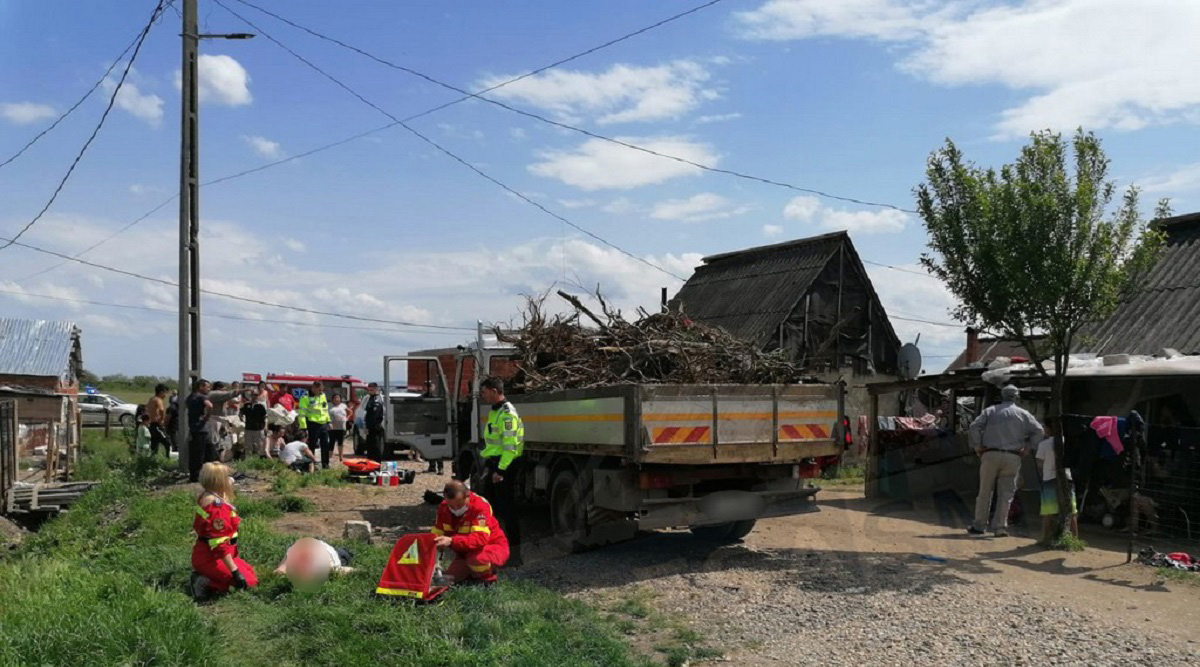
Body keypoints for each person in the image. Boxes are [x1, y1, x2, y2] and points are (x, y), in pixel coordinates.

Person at [968, 385, 1043, 537]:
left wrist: (977, 446)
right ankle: (1000, 527)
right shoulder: (1024, 413)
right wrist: (1028, 448)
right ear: (1017, 397)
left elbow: (974, 426)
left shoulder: (990, 411)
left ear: (1001, 396)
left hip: (990, 454)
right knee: (1006, 493)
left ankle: (979, 525)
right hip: (1013, 456)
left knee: (985, 491)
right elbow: (1039, 431)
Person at [191, 462, 257, 599]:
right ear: (219, 481)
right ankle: (204, 582)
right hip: (212, 557)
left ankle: (210, 578)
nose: (229, 480)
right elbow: (219, 545)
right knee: (249, 582)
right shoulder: (217, 507)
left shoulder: (207, 495)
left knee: (251, 572)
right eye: (226, 477)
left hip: (215, 553)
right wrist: (234, 571)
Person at [478, 376, 524, 563]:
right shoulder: (495, 411)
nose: (482, 396)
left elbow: (510, 447)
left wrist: (500, 471)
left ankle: (515, 555)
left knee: (508, 510)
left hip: (505, 464)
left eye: (484, 392)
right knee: (491, 509)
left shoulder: (507, 414)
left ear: (494, 391)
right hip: (495, 463)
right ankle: (493, 550)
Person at [433, 480, 509, 584]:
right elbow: (435, 534)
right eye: (451, 506)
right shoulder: (444, 508)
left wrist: (452, 541)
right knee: (450, 578)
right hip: (465, 552)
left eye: (459, 505)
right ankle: (472, 576)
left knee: (477, 560)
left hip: (492, 547)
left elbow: (480, 539)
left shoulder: (480, 506)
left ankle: (488, 581)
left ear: (468, 496)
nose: (455, 509)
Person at [1036, 419, 1079, 544]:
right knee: (1072, 511)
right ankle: (1075, 539)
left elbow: (1039, 463)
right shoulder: (1068, 442)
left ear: (1049, 429)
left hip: (1049, 479)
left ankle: (1045, 538)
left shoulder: (1044, 444)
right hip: (1067, 478)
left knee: (1047, 511)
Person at [273, 537, 354, 579]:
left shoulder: (323, 565)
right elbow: (279, 571)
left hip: (327, 553)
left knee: (343, 558)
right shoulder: (292, 555)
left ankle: (346, 553)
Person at [298, 381, 332, 469]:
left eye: (322, 390)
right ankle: (310, 464)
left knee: (325, 445)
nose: (321, 391)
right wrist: (303, 427)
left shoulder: (322, 395)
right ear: (314, 388)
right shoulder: (305, 397)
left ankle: (325, 464)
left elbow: (325, 410)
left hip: (323, 424)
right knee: (311, 445)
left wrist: (329, 422)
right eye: (319, 390)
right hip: (312, 424)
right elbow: (302, 413)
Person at [186, 379, 215, 483]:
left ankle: (210, 473)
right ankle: (196, 476)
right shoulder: (202, 397)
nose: (209, 389)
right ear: (201, 387)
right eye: (207, 387)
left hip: (194, 428)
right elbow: (210, 406)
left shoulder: (190, 397)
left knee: (208, 451)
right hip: (201, 429)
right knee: (200, 453)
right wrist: (207, 417)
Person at [362, 382, 386, 461]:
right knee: (370, 448)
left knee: (375, 448)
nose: (370, 391)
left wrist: (371, 426)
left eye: (372, 389)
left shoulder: (377, 399)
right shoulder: (370, 398)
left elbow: (375, 415)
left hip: (375, 427)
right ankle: (371, 465)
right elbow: (367, 413)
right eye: (369, 390)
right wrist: (366, 425)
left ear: (376, 389)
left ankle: (376, 467)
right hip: (370, 427)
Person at [145, 383, 171, 457]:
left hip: (152, 425)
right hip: (157, 425)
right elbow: (162, 410)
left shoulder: (151, 399)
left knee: (154, 443)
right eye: (166, 392)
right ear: (162, 392)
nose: (166, 395)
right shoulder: (158, 400)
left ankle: (153, 459)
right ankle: (168, 458)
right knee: (167, 442)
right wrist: (162, 419)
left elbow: (146, 409)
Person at [240, 395, 269, 459]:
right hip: (248, 428)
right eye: (253, 395)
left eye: (256, 395)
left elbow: (265, 417)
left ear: (258, 396)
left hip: (258, 428)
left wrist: (265, 426)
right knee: (248, 445)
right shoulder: (247, 405)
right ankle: (248, 459)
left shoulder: (260, 406)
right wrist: (241, 417)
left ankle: (257, 459)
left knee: (258, 445)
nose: (254, 396)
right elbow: (241, 412)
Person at [328, 393, 349, 463]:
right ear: (332, 399)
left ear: (340, 399)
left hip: (341, 426)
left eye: (338, 397)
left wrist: (347, 418)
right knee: (331, 442)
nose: (337, 399)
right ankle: (330, 457)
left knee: (340, 442)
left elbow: (350, 412)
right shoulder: (329, 405)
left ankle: (341, 457)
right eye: (335, 397)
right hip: (332, 426)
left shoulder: (343, 405)